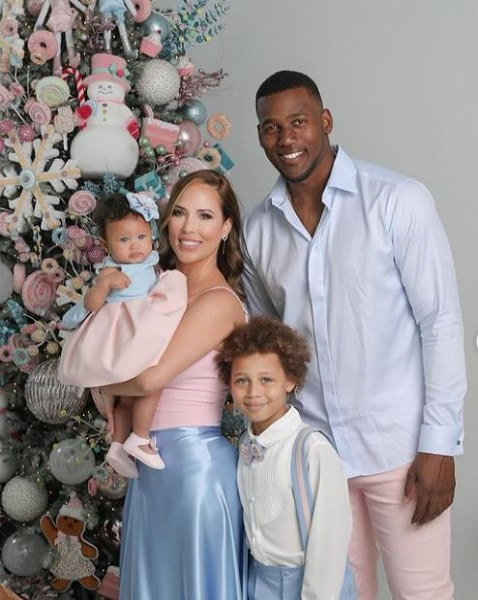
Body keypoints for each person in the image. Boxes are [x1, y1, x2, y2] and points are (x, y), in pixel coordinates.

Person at [241, 70, 466, 600]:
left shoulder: (397, 200)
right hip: (316, 455)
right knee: (334, 594)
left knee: (424, 593)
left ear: (325, 121)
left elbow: (441, 323)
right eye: (271, 128)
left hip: (401, 450)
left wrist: (439, 445)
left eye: (298, 122)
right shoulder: (256, 229)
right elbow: (265, 342)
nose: (286, 139)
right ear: (260, 137)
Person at [101, 169, 247, 600]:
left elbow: (149, 376)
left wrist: (106, 382)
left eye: (205, 216)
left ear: (225, 228)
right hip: (151, 470)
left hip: (194, 470)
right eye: (180, 212)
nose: (188, 227)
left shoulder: (219, 301)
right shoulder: (159, 284)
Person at [216, 315, 352, 600]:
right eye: (242, 381)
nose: (254, 393)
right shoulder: (245, 447)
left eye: (267, 380)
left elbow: (330, 542)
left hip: (306, 586)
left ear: (290, 379)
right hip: (257, 583)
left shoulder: (311, 450)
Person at [59, 192, 187, 478]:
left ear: (151, 236)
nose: (135, 247)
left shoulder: (152, 262)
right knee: (151, 382)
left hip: (141, 328)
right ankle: (140, 437)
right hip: (122, 334)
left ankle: (118, 446)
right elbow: (91, 304)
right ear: (106, 245)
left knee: (131, 398)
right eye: (124, 240)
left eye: (141, 237)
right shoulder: (110, 270)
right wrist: (105, 286)